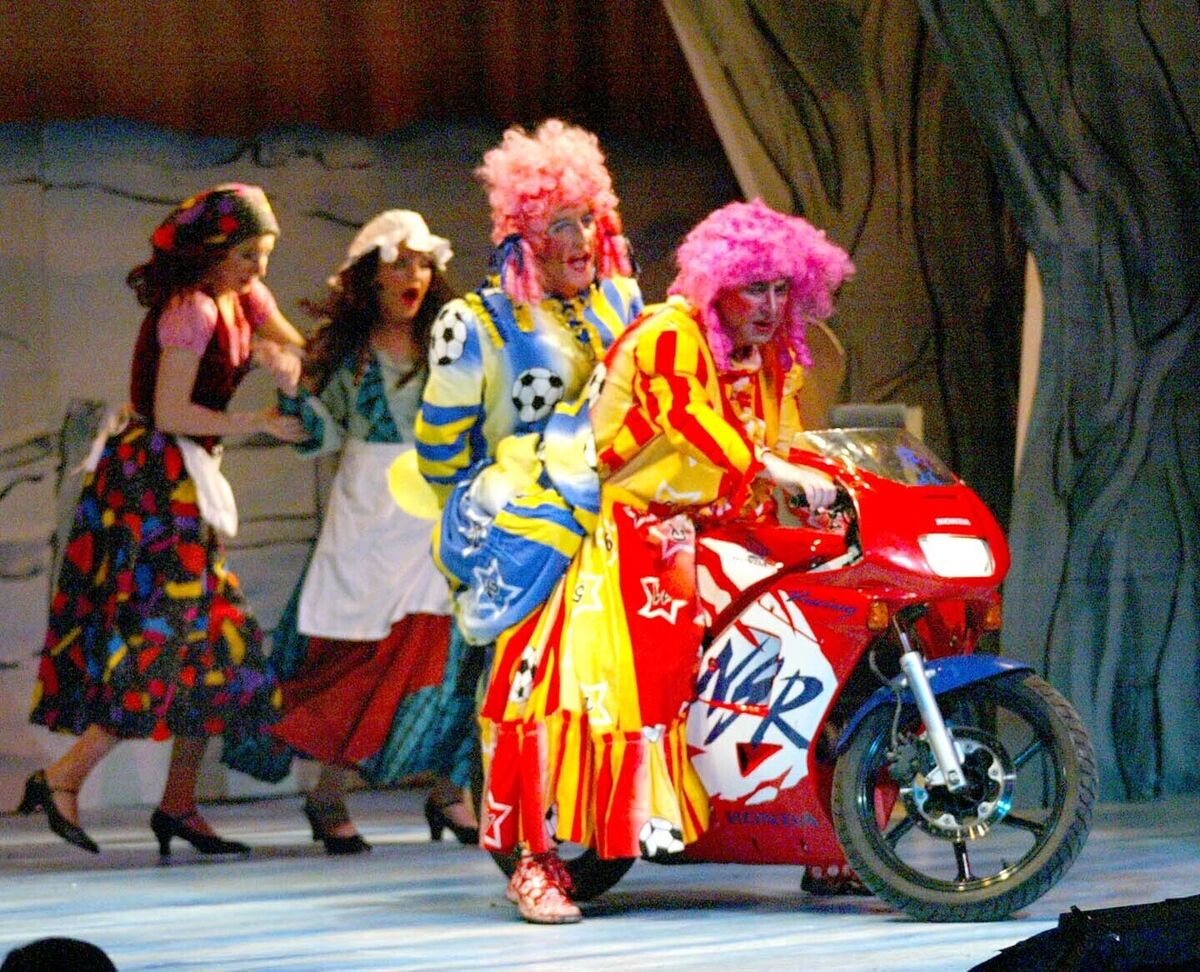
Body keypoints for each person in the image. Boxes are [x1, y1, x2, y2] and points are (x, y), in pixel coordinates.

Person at [478, 199, 854, 923]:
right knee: (592, 693)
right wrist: (779, 476)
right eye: (755, 287)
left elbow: (784, 448)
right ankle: (536, 864)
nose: (771, 306)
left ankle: (820, 834)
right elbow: (691, 419)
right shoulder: (668, 333)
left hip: (702, 533)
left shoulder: (774, 358)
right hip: (612, 527)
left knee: (800, 647)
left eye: (783, 289)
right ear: (718, 284)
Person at [20, 183, 305, 858]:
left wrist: (286, 359)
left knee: (218, 650)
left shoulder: (242, 298)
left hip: (187, 483)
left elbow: (296, 350)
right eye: (247, 255)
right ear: (212, 253)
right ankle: (63, 776)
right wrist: (255, 420)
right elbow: (170, 411)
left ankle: (178, 804)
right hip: (153, 485)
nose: (257, 270)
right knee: (167, 641)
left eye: (263, 256)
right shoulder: (192, 309)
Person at [221, 210, 479, 852]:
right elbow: (320, 431)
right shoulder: (348, 354)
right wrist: (289, 392)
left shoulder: (455, 341)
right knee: (358, 662)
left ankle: (451, 793)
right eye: (398, 263)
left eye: (423, 263)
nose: (413, 275)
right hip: (368, 518)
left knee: (444, 657)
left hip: (438, 511)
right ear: (371, 277)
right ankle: (328, 793)